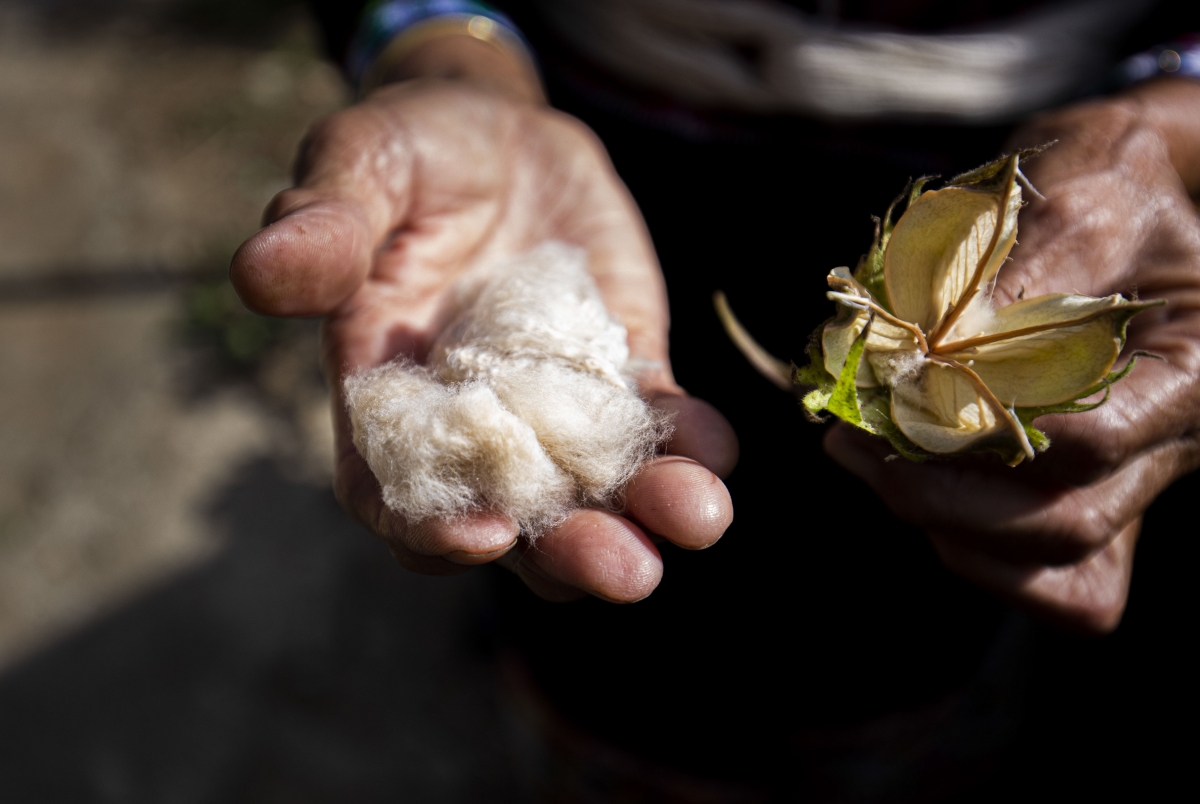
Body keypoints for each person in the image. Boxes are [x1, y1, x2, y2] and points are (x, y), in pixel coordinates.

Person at [232, 1, 1200, 798]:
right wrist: (448, 52)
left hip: (1047, 187)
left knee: (898, 624)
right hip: (578, 132)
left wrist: (1174, 112)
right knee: (600, 619)